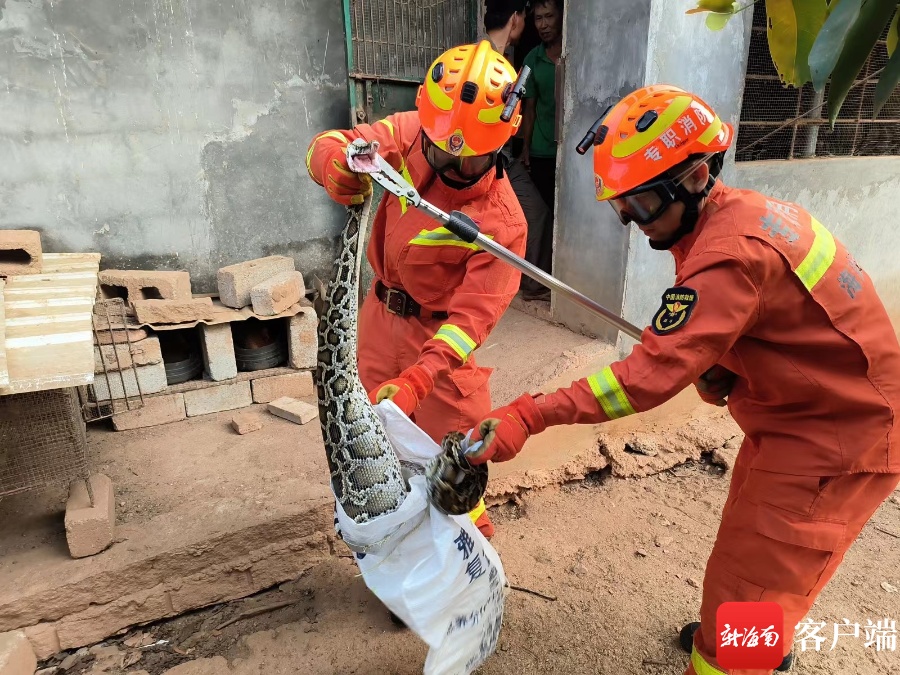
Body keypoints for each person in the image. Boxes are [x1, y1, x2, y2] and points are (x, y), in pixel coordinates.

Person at [465, 84, 900, 674]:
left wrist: (530, 414)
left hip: (838, 442)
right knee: (744, 549)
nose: (631, 222)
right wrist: (729, 360)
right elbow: (781, 321)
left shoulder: (729, 255)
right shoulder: (733, 217)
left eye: (641, 205)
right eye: (621, 208)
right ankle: (740, 624)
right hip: (803, 419)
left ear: (696, 176)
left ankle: (739, 656)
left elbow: (642, 379)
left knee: (756, 586)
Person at [305, 41, 529, 540]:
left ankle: (464, 576)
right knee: (371, 456)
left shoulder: (503, 224)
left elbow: (469, 323)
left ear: (500, 145)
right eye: (439, 147)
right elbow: (335, 142)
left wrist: (419, 381)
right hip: (377, 325)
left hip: (440, 356)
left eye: (468, 161)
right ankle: (392, 559)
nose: (450, 166)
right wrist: (334, 166)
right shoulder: (411, 133)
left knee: (456, 480)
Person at [484, 0, 555, 302]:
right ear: (515, 19)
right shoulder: (493, 64)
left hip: (493, 159)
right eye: (530, 18)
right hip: (492, 160)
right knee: (534, 215)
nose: (535, 24)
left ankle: (522, 283)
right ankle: (530, 284)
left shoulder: (483, 57)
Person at [520, 0, 563, 300]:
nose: (543, 24)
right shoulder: (532, 59)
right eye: (538, 18)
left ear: (561, 16)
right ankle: (539, 280)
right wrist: (524, 149)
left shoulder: (571, 54)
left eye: (549, 16)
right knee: (542, 215)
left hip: (568, 150)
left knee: (562, 218)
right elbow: (529, 109)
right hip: (540, 151)